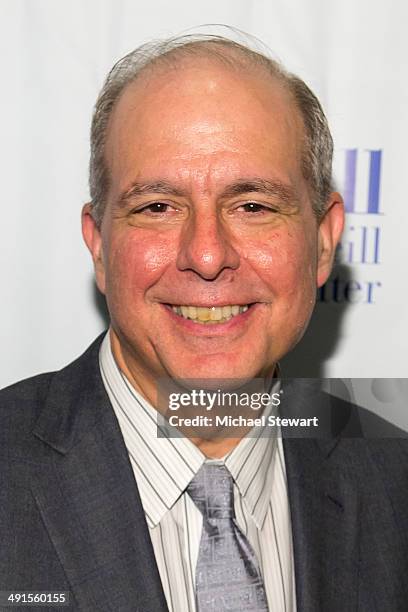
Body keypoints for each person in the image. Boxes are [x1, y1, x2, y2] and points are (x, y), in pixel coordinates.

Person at [1, 34, 407, 612]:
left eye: (253, 206)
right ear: (99, 247)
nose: (208, 254)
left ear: (322, 243)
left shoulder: (395, 481)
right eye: (157, 207)